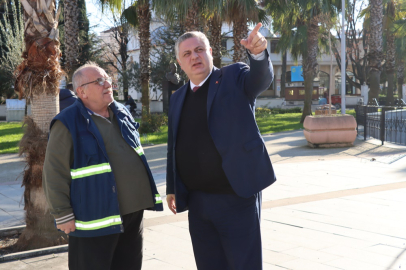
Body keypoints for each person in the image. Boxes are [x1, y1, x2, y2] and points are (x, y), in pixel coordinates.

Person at [166, 23, 276, 270]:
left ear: (210, 52)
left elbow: (260, 79)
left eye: (199, 49)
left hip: (236, 197)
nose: (194, 56)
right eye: (187, 54)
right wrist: (173, 187)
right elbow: (173, 144)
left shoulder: (233, 77)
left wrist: (258, 54)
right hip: (198, 203)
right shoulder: (177, 98)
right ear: (180, 62)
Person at [43, 62, 163, 270]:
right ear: (82, 92)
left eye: (107, 78)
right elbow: (54, 171)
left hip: (132, 213)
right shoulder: (67, 123)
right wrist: (62, 214)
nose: (107, 83)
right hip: (94, 217)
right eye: (99, 81)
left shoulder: (122, 112)